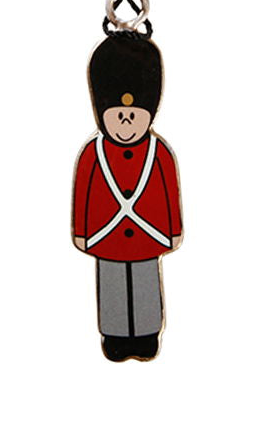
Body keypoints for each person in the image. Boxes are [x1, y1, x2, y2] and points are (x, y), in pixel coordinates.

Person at [72, 36, 183, 361]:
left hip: (149, 235)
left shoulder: (159, 152)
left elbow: (169, 190)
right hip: (106, 236)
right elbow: (83, 191)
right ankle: (115, 335)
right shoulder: (93, 153)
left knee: (145, 282)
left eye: (134, 115)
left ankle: (147, 334)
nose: (126, 122)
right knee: (112, 285)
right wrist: (82, 232)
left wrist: (174, 230)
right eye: (118, 114)